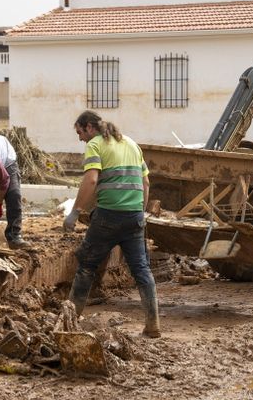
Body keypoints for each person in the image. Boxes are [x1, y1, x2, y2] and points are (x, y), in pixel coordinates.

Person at [62, 110, 160, 338]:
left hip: (107, 217)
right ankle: (153, 324)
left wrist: (75, 212)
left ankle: (70, 322)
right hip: (134, 218)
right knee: (141, 270)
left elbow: (92, 179)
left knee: (87, 265)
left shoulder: (96, 145)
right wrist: (141, 212)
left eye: (79, 132)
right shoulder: (132, 144)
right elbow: (145, 183)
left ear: (89, 127)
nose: (79, 138)